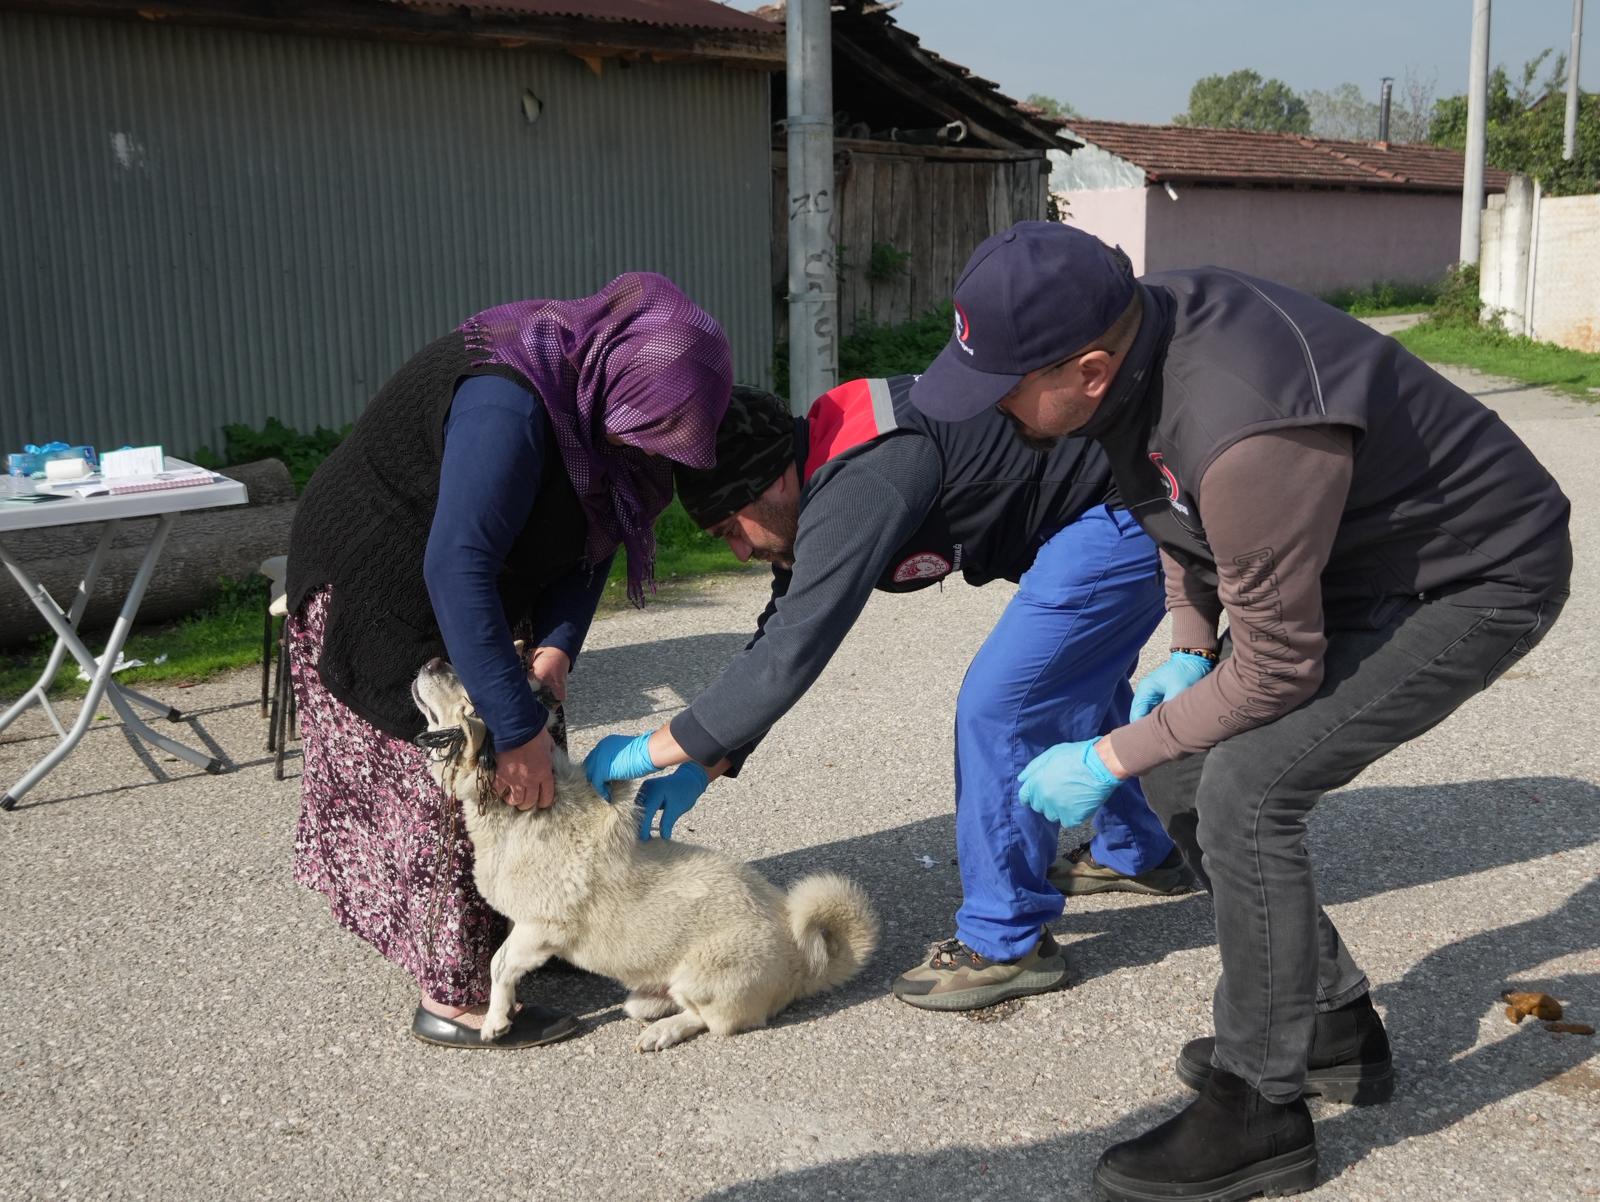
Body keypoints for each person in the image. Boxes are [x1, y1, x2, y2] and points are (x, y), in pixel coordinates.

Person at [910, 222, 1572, 1200]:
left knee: (1249, 790)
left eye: (1005, 388)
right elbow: (1168, 501)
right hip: (1356, 563)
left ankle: (1260, 1107)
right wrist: (1187, 641)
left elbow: (1273, 670)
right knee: (1183, 765)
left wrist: (1106, 755)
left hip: (1476, 577)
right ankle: (1329, 1024)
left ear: (1088, 370)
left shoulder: (1248, 426)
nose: (995, 410)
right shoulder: (1140, 338)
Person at [582, 376, 1192, 1013]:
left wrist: (648, 749)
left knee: (1004, 707)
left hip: (1130, 504)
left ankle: (1007, 941)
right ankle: (1139, 849)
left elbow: (791, 654)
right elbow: (780, 632)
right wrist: (704, 762)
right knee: (1071, 676)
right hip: (1108, 499)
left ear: (775, 481)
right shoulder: (819, 470)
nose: (738, 552)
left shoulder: (862, 478)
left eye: (733, 526)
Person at [285, 272, 733, 1050]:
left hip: (483, 583)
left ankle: (538, 929)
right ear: (615, 381)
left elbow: (595, 534)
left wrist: (557, 645)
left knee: (534, 779)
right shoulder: (508, 404)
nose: (641, 448)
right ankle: (456, 995)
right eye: (640, 433)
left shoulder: (603, 407)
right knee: (446, 783)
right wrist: (514, 726)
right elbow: (455, 564)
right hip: (380, 591)